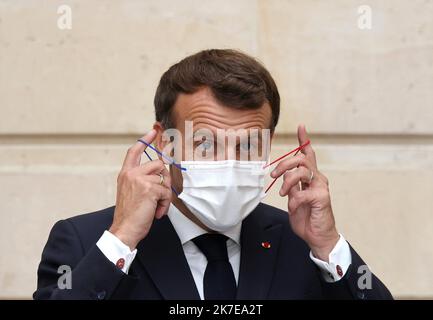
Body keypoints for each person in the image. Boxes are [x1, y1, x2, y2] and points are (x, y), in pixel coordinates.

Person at [34, 49, 392, 300]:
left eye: (248, 145)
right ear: (165, 143)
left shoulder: (301, 244)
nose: (230, 162)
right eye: (205, 143)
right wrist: (123, 238)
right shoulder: (86, 242)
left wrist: (329, 247)